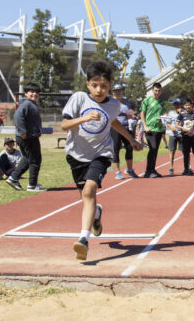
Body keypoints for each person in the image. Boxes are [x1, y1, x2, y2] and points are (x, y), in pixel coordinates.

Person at [61, 61, 142, 260]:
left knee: (89, 191)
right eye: (95, 85)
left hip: (101, 153)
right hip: (76, 155)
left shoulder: (115, 105)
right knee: (86, 198)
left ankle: (83, 240)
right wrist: (84, 118)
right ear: (88, 84)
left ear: (110, 87)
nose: (99, 90)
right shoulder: (79, 99)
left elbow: (113, 120)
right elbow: (64, 125)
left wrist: (130, 139)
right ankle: (96, 215)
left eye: (104, 86)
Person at [8, 82, 44, 191]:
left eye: (37, 92)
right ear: (26, 93)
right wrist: (22, 131)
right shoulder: (26, 104)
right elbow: (18, 117)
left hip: (30, 136)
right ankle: (32, 185)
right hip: (28, 137)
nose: (35, 94)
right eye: (32, 92)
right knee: (35, 160)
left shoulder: (30, 104)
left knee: (28, 158)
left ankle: (14, 178)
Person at [110, 84, 138, 179]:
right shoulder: (110, 101)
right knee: (116, 149)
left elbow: (129, 112)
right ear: (113, 92)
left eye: (120, 90)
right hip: (115, 128)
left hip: (126, 128)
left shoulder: (126, 101)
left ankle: (129, 170)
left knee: (130, 147)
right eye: (116, 91)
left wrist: (132, 115)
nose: (118, 92)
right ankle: (117, 172)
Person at [140, 82, 165, 178]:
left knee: (155, 150)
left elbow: (161, 114)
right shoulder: (147, 100)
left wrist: (164, 119)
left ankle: (153, 169)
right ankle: (147, 171)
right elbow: (142, 113)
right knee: (152, 148)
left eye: (159, 91)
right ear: (152, 90)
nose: (157, 92)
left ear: (161, 91)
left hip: (158, 129)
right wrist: (145, 126)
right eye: (155, 90)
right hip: (149, 129)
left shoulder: (161, 102)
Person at [178, 98, 194, 175]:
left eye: (189, 105)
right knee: (186, 153)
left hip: (193, 137)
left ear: (191, 105)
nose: (188, 107)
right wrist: (183, 128)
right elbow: (176, 124)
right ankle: (186, 169)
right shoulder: (181, 114)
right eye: (186, 105)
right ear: (184, 106)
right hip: (185, 137)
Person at [164, 98, 184, 175]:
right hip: (173, 134)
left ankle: (186, 166)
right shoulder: (170, 113)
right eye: (175, 104)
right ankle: (171, 167)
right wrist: (171, 127)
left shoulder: (183, 112)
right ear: (173, 105)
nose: (176, 106)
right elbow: (167, 123)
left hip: (181, 134)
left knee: (183, 151)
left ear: (180, 104)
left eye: (178, 104)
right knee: (172, 151)